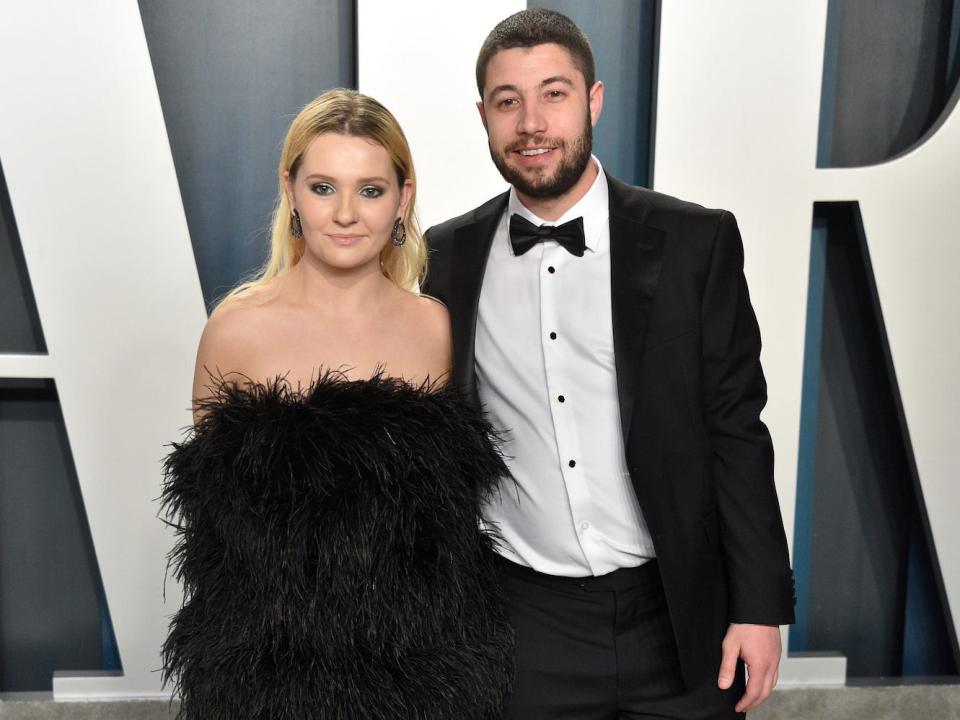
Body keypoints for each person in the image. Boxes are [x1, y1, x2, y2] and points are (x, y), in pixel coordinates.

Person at [422, 9, 795, 719]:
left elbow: (736, 430)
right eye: (508, 101)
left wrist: (759, 607)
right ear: (483, 116)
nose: (531, 121)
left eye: (554, 93)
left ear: (593, 100)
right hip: (524, 623)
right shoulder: (447, 257)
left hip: (679, 611)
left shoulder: (696, 241)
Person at [160, 89, 512, 719]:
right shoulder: (235, 329)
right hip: (265, 682)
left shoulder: (433, 327)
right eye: (324, 187)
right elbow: (216, 528)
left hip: (419, 677)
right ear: (290, 190)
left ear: (403, 198)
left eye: (370, 190)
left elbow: (440, 526)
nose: (346, 213)